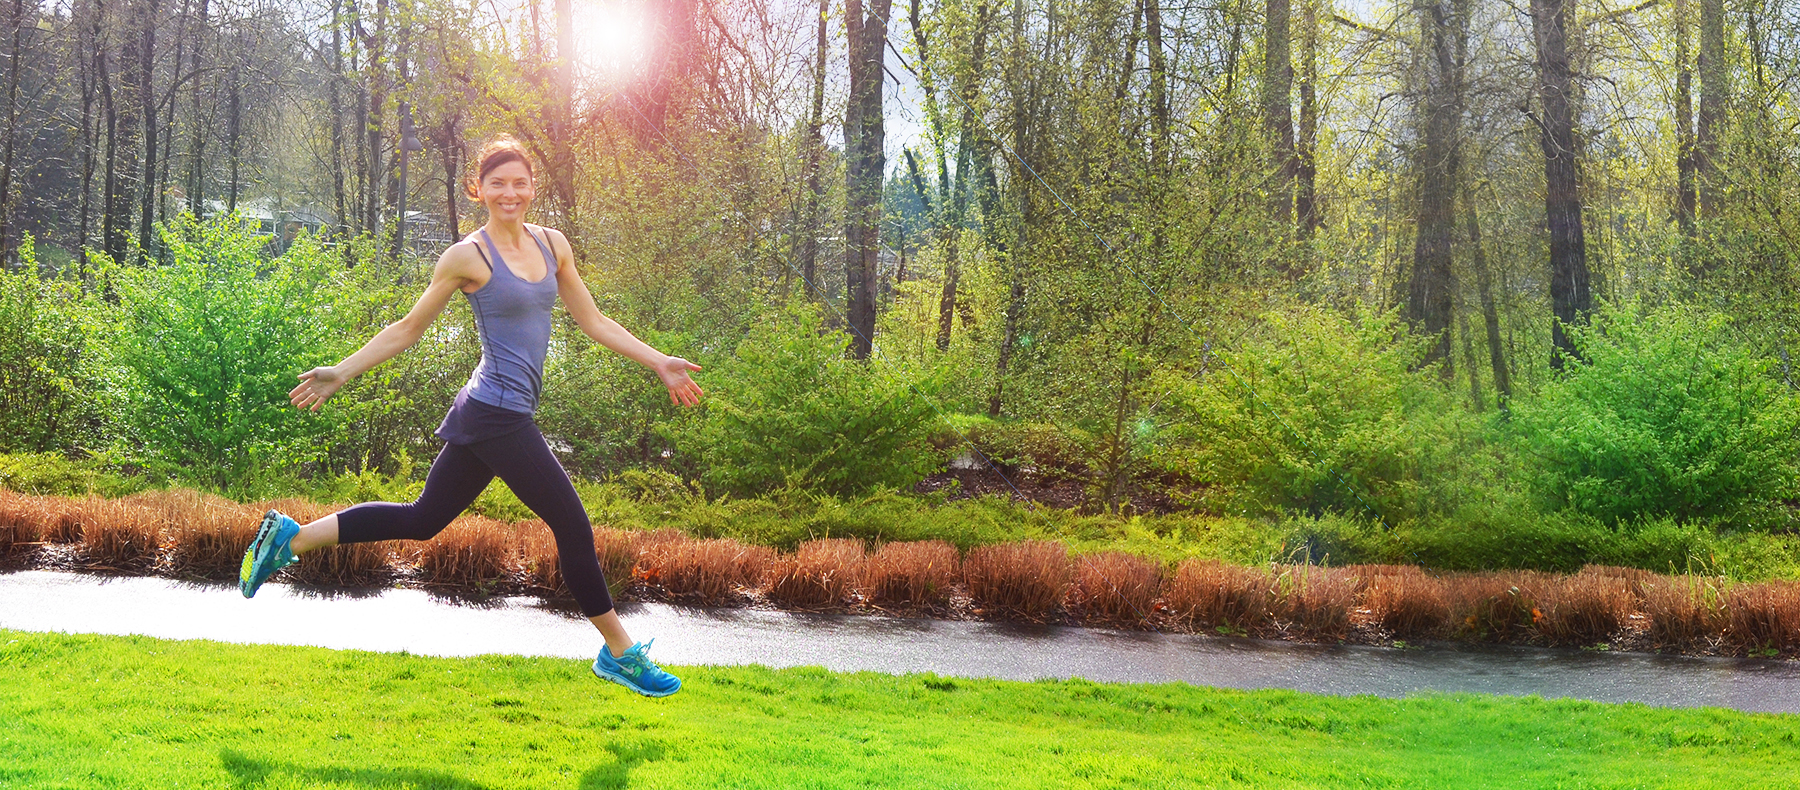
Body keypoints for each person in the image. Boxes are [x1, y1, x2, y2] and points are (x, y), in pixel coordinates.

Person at [238, 135, 702, 698]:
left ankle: (290, 538)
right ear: (477, 189)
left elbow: (593, 319)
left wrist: (659, 362)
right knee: (573, 526)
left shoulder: (554, 245)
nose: (511, 192)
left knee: (422, 519)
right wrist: (342, 370)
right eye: (498, 183)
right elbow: (408, 329)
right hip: (497, 414)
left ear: (533, 188)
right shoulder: (466, 257)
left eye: (520, 182)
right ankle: (621, 654)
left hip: (491, 410)